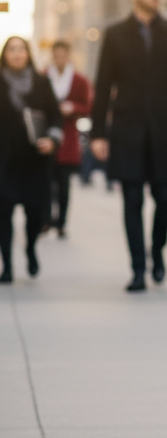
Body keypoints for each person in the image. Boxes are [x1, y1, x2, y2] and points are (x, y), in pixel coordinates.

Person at [91, 0, 167, 292]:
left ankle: (157, 251)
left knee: (165, 199)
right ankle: (138, 268)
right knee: (132, 201)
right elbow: (103, 85)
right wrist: (98, 133)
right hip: (127, 131)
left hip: (165, 131)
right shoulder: (115, 34)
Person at [0, 37, 62, 281]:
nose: (17, 54)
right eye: (12, 50)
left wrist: (52, 140)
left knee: (35, 213)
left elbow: (55, 116)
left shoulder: (41, 82)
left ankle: (30, 248)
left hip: (35, 160)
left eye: (21, 49)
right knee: (3, 213)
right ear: (5, 55)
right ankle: (7, 265)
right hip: (4, 162)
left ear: (28, 54)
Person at [46, 40, 92, 237]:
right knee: (46, 184)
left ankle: (61, 222)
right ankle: (46, 220)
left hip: (68, 139)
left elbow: (88, 106)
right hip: (47, 136)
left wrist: (72, 108)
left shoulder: (79, 80)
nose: (60, 59)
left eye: (63, 55)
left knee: (64, 185)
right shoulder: (44, 77)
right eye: (56, 55)